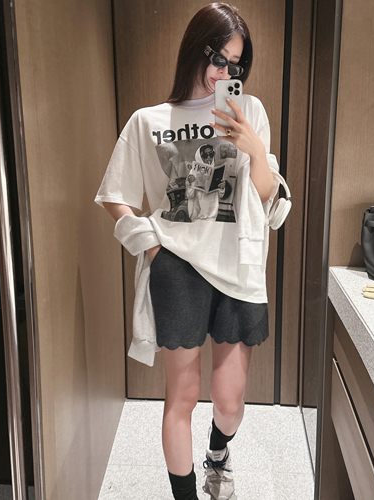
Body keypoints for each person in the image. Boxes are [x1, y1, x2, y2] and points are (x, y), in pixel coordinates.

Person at [95, 3, 280, 499]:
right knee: (182, 395)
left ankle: (218, 453)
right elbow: (114, 194)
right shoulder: (149, 121)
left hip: (237, 265)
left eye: (236, 64)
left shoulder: (249, 111)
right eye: (218, 58)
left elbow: (266, 196)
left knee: (230, 400)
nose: (225, 72)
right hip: (176, 264)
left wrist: (253, 148)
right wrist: (151, 245)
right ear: (195, 51)